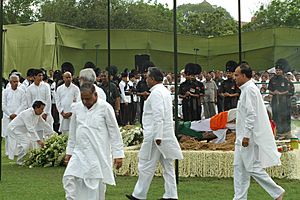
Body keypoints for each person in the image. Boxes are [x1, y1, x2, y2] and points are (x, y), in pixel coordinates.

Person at [126, 67, 183, 200]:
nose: (146, 80)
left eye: (147, 77)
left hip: (156, 135)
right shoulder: (164, 91)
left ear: (152, 79)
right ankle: (171, 195)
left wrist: (158, 136)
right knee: (168, 166)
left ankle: (139, 195)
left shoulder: (157, 93)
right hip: (165, 134)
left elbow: (159, 115)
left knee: (146, 164)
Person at [63, 82, 124, 200]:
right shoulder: (77, 108)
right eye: (83, 99)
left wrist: (118, 154)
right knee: (69, 176)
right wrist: (69, 152)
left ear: (95, 95)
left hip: (98, 152)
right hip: (79, 151)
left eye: (88, 98)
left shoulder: (105, 108)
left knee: (93, 185)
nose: (85, 102)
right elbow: (73, 131)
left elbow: (114, 132)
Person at [233, 64, 284, 200]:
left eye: (237, 75)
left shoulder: (249, 90)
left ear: (244, 76)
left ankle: (276, 191)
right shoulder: (246, 89)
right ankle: (239, 198)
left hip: (247, 136)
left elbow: (251, 115)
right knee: (239, 168)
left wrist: (246, 136)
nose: (234, 78)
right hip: (241, 135)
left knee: (252, 167)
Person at [6, 101, 51, 165]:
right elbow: (30, 128)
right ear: (36, 108)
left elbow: (44, 124)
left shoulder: (37, 114)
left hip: (22, 130)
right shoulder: (27, 114)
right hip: (14, 129)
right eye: (41, 109)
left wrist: (52, 133)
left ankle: (27, 159)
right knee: (26, 143)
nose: (43, 111)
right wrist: (39, 141)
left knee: (30, 144)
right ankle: (20, 161)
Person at [2, 74, 27, 155]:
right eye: (14, 81)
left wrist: (16, 114)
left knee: (17, 132)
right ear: (10, 82)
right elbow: (3, 104)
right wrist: (9, 114)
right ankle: (8, 151)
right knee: (7, 133)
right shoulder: (5, 91)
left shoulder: (22, 91)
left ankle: (16, 151)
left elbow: (24, 104)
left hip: (18, 116)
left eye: (17, 81)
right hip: (7, 116)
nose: (16, 83)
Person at [26, 69, 53, 140]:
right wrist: (36, 113)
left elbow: (48, 100)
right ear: (34, 76)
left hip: (46, 114)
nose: (41, 77)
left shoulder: (46, 86)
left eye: (42, 75)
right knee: (37, 135)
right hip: (35, 115)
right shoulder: (29, 88)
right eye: (39, 75)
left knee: (48, 134)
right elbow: (29, 103)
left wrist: (45, 113)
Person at [268, 65, 291, 139]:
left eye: (279, 70)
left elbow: (288, 90)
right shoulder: (272, 79)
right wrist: (274, 92)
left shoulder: (285, 80)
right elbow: (270, 90)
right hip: (275, 100)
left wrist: (281, 93)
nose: (278, 72)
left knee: (283, 115)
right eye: (277, 70)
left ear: (282, 71)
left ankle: (285, 132)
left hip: (283, 101)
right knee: (275, 115)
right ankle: (277, 131)